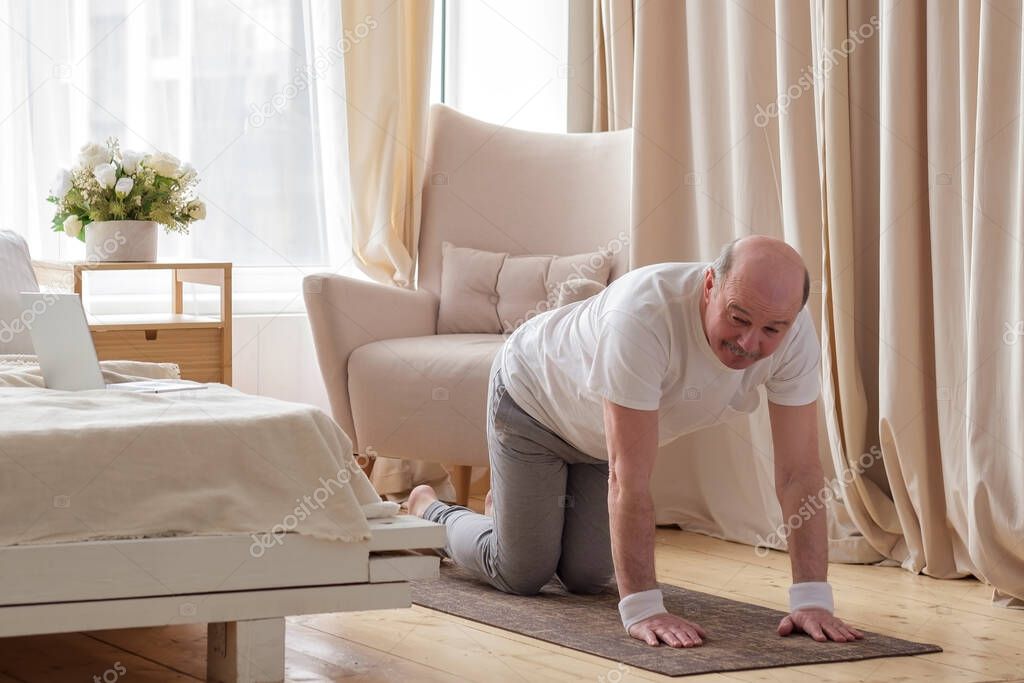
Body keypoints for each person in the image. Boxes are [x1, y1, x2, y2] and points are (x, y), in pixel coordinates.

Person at [408, 235, 864, 648]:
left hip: (595, 439)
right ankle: (428, 510)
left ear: (793, 319)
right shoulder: (643, 315)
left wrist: (811, 599)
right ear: (709, 286)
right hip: (532, 400)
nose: (749, 342)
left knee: (587, 578)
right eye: (737, 317)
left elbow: (799, 472)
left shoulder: (795, 338)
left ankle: (510, 512)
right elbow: (629, 480)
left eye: (772, 330)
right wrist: (645, 608)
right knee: (522, 571)